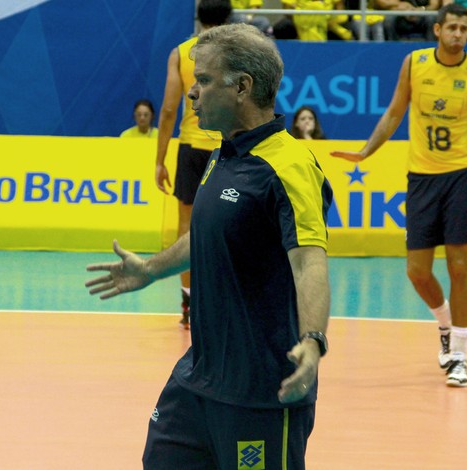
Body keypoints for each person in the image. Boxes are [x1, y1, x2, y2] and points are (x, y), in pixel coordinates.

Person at [86, 23, 333, 469]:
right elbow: (207, 234)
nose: (192, 93)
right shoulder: (225, 152)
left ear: (242, 86)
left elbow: (309, 263)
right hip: (198, 379)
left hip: (261, 391)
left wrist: (313, 342)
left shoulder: (289, 166)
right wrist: (151, 270)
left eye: (203, 80)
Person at [331, 4, 467, 387]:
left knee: (460, 267)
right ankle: (444, 324)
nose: (458, 33)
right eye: (452, 27)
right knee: (417, 272)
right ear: (438, 30)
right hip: (421, 177)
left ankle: (460, 353)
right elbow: (394, 114)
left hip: (461, 174)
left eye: (464, 28)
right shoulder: (414, 63)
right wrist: (365, 151)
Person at [155, 0, 231, 329]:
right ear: (228, 18)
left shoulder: (181, 53)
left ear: (199, 17)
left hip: (191, 148)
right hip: (226, 147)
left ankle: (188, 298)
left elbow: (169, 110)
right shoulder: (236, 51)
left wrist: (159, 160)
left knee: (186, 227)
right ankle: (223, 299)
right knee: (228, 225)